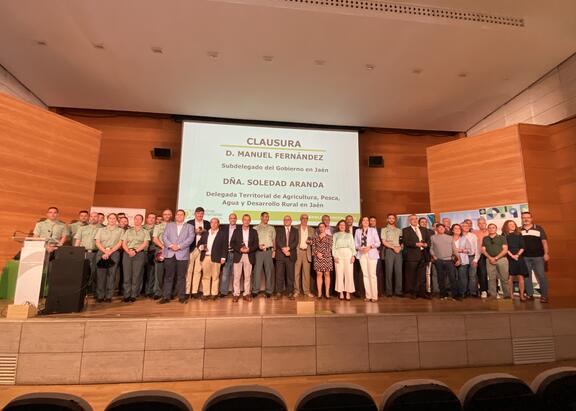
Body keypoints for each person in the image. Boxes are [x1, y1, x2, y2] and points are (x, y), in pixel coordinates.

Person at [159, 209, 195, 304]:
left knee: (181, 277)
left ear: (184, 216)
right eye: (178, 215)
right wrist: (171, 246)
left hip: (182, 254)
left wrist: (179, 246)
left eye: (181, 215)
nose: (179, 216)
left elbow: (190, 239)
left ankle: (181, 297)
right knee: (168, 276)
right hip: (170, 253)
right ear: (175, 216)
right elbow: (164, 237)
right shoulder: (169, 225)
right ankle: (166, 297)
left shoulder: (190, 227)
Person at [521, 212, 550, 303]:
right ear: (522, 219)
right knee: (527, 277)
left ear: (531, 218)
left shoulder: (539, 228)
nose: (526, 219)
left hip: (538, 257)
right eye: (524, 217)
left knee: (541, 276)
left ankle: (544, 296)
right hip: (525, 257)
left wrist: (546, 253)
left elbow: (544, 242)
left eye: (528, 217)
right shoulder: (519, 230)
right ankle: (530, 295)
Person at [94, 213, 123, 303]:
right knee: (101, 275)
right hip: (101, 252)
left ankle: (108, 296)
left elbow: (120, 243)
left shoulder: (120, 230)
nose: (112, 220)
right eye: (110, 218)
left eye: (114, 218)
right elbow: (97, 242)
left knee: (111, 275)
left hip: (114, 253)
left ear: (116, 220)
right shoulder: (101, 230)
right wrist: (105, 251)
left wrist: (109, 252)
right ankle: (100, 295)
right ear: (107, 219)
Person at [120, 214, 150, 302]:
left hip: (139, 254)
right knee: (127, 275)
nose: (137, 220)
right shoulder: (128, 231)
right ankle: (126, 294)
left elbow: (145, 243)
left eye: (139, 219)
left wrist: (135, 251)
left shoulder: (145, 232)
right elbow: (123, 243)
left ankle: (134, 294)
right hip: (127, 253)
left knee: (136, 275)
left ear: (142, 221)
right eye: (135, 219)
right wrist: (128, 251)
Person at [197, 218, 228, 300]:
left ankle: (214, 293)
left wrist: (223, 258)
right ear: (210, 224)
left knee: (215, 276)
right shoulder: (205, 233)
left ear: (218, 224)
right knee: (205, 276)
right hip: (205, 257)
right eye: (212, 223)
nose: (214, 224)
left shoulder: (222, 234)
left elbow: (225, 247)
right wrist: (201, 247)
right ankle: (206, 293)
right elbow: (199, 243)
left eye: (215, 223)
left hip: (217, 258)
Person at [230, 214, 259, 302]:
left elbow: (256, 244)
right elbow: (232, 243)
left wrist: (249, 249)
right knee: (237, 276)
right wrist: (240, 249)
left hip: (249, 256)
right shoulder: (236, 231)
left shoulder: (254, 231)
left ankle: (246, 294)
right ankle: (236, 294)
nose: (246, 221)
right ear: (242, 221)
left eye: (248, 220)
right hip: (238, 255)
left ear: (250, 221)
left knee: (247, 276)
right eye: (245, 220)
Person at [402, 214, 431, 299]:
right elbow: (405, 242)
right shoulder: (405, 230)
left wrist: (426, 244)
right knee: (411, 276)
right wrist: (415, 244)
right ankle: (412, 293)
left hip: (423, 255)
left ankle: (421, 292)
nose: (414, 220)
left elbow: (429, 241)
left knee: (422, 276)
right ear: (409, 221)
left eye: (415, 219)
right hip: (412, 256)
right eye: (412, 219)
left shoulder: (424, 229)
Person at [74, 211, 103, 293]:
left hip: (97, 253)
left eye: (95, 216)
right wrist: (76, 254)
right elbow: (77, 242)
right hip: (84, 253)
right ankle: (82, 291)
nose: (93, 218)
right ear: (89, 218)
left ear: (98, 218)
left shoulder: (103, 229)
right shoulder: (82, 228)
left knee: (96, 272)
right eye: (91, 216)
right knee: (83, 272)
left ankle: (93, 291)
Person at [185, 207, 210, 298]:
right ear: (195, 214)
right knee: (189, 270)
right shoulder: (189, 223)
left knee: (198, 271)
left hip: (202, 249)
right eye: (198, 213)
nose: (200, 215)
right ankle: (187, 292)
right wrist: (193, 231)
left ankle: (194, 291)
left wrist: (205, 231)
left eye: (201, 213)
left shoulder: (207, 223)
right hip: (191, 248)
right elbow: (185, 235)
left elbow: (210, 235)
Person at [355, 216, 381, 302]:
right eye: (364, 220)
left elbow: (378, 243)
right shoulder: (358, 231)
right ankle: (368, 295)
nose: (365, 221)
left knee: (372, 275)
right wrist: (360, 248)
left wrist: (369, 247)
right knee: (365, 275)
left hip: (372, 254)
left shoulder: (373, 230)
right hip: (362, 254)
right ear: (361, 222)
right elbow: (356, 244)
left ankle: (374, 296)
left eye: (367, 220)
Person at [430, 224, 459, 299]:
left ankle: (454, 295)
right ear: (436, 229)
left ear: (444, 229)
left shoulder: (450, 237)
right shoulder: (433, 238)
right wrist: (434, 256)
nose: (441, 229)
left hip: (449, 260)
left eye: (442, 227)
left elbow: (454, 249)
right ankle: (443, 294)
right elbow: (431, 248)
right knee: (440, 278)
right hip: (439, 260)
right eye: (439, 228)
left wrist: (459, 258)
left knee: (452, 277)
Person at [481, 223, 510, 299]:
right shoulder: (485, 238)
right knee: (491, 279)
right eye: (489, 228)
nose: (491, 229)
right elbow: (483, 250)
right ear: (488, 229)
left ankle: (507, 295)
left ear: (496, 229)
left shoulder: (502, 237)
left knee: (504, 278)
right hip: (489, 260)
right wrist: (490, 258)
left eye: (493, 227)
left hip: (502, 259)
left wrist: (496, 258)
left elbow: (505, 250)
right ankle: (493, 295)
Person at [502, 220, 528, 302]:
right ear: (507, 226)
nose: (513, 225)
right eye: (510, 224)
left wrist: (517, 255)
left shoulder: (519, 234)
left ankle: (522, 295)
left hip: (519, 256)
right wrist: (512, 256)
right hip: (509, 256)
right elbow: (505, 248)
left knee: (521, 276)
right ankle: (511, 295)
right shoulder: (504, 235)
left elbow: (522, 246)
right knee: (510, 277)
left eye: (514, 224)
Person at [274, 215, 298, 299]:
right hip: (280, 255)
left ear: (291, 221)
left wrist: (289, 248)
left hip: (290, 255)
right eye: (285, 220)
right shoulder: (279, 230)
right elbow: (277, 241)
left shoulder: (295, 230)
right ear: (283, 221)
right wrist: (284, 249)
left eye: (288, 219)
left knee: (290, 276)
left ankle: (290, 292)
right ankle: (279, 292)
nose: (287, 221)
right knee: (279, 275)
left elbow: (296, 242)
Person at [252, 212, 276, 298]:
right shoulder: (255, 228)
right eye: (265, 217)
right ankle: (255, 290)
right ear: (261, 217)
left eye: (268, 217)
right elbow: (253, 241)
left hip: (269, 251)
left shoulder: (272, 228)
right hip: (258, 252)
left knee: (269, 272)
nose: (267, 218)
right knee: (257, 272)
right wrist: (257, 246)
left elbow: (274, 240)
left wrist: (274, 251)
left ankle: (269, 291)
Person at [151, 209, 173, 299]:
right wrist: (163, 247)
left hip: (172, 251)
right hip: (160, 250)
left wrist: (170, 247)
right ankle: (157, 292)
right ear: (163, 216)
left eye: (169, 214)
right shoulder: (158, 226)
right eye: (165, 214)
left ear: (171, 215)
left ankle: (168, 292)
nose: (167, 216)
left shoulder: (174, 226)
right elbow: (155, 239)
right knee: (158, 272)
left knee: (170, 273)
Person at [332, 220, 355, 300]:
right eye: (340, 225)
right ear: (338, 226)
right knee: (339, 274)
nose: (342, 226)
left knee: (349, 274)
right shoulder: (335, 235)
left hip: (348, 254)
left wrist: (353, 256)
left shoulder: (349, 235)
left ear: (346, 226)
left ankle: (348, 293)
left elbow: (352, 246)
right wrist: (335, 256)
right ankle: (341, 292)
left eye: (343, 225)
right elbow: (333, 246)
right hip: (338, 254)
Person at [295, 214, 317, 298]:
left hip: (307, 252)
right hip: (298, 252)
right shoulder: (295, 228)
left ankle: (306, 291)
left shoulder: (311, 229)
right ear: (300, 219)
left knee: (306, 273)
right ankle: (296, 290)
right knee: (296, 273)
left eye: (306, 218)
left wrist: (311, 243)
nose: (304, 220)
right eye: (303, 218)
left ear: (307, 219)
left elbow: (315, 241)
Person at [381, 214, 403, 297]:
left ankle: (398, 291)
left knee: (399, 272)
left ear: (395, 220)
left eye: (393, 218)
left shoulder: (399, 230)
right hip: (389, 250)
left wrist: (400, 248)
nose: (391, 219)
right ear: (387, 219)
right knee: (389, 271)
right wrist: (394, 247)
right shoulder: (384, 230)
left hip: (398, 252)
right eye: (389, 218)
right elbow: (384, 242)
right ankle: (389, 291)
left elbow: (402, 242)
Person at [310, 222, 333, 299]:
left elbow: (330, 247)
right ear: (318, 228)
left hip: (327, 258)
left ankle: (327, 293)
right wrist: (317, 254)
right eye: (320, 227)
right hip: (317, 257)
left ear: (325, 228)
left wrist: (323, 254)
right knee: (319, 274)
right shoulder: (315, 238)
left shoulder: (330, 237)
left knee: (327, 274)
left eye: (323, 227)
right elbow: (313, 247)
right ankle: (319, 293)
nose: (321, 228)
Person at [219, 213, 238, 297]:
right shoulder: (223, 228)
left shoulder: (240, 229)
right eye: (231, 218)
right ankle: (223, 292)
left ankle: (235, 292)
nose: (232, 219)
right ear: (229, 219)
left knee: (236, 274)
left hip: (236, 254)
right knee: (225, 274)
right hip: (226, 253)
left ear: (236, 219)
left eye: (234, 218)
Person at [452, 224, 471, 300]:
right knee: (453, 278)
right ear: (452, 230)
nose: (457, 230)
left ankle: (463, 292)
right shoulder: (449, 239)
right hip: (451, 260)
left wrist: (461, 250)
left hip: (463, 261)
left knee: (462, 277)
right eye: (455, 228)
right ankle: (455, 293)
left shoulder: (464, 239)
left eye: (459, 228)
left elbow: (469, 250)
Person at [461, 221, 479, 297]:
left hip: (472, 257)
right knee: (463, 276)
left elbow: (477, 248)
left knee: (472, 276)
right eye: (464, 226)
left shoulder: (473, 236)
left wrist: (476, 259)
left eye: (467, 226)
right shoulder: (458, 236)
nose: (466, 227)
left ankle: (473, 292)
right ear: (461, 227)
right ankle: (464, 292)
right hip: (462, 258)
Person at [474, 217, 490, 298]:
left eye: (483, 223)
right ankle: (484, 290)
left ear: (486, 223)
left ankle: (494, 290)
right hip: (480, 255)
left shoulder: (490, 231)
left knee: (492, 273)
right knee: (482, 273)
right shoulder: (475, 233)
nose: (481, 225)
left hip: (491, 255)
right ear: (477, 225)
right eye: (479, 223)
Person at [143, 212, 157, 298]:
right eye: (149, 217)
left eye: (153, 218)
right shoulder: (142, 228)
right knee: (141, 272)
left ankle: (149, 291)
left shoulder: (157, 228)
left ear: (155, 220)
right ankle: (140, 290)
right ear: (147, 219)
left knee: (151, 272)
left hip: (152, 251)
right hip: (142, 252)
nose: (151, 219)